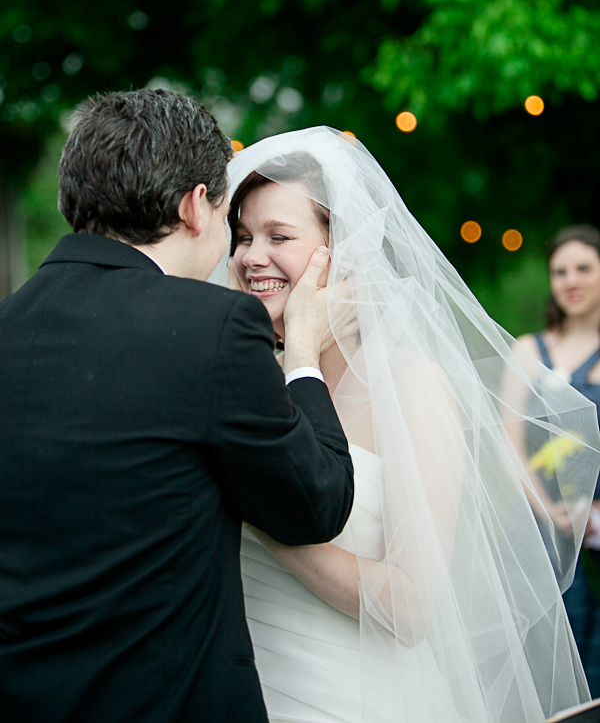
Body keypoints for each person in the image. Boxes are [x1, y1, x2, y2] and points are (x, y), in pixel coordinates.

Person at [220, 126, 600, 723]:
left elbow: (413, 606)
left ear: (344, 251)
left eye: (280, 235)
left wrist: (264, 521)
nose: (250, 256)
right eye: (242, 237)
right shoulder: (244, 384)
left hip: (351, 698)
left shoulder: (409, 384)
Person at [0, 90, 354, 723]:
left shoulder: (8, 327)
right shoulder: (211, 327)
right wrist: (303, 352)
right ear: (196, 206)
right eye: (229, 222)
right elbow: (317, 502)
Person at [516, 225, 600, 699]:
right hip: (542, 532)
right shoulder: (530, 351)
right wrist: (550, 511)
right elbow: (508, 444)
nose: (572, 279)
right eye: (560, 270)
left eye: (584, 268)